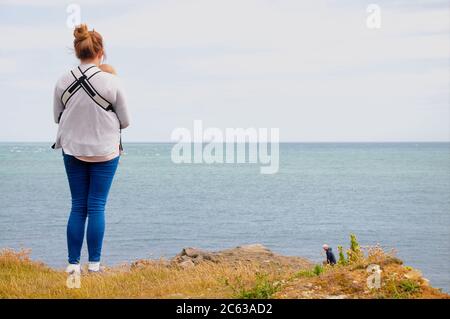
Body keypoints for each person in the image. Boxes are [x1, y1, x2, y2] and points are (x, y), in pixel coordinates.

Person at [53, 24, 130, 274]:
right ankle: (94, 265)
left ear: (77, 51)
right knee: (96, 205)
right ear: (101, 52)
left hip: (73, 148)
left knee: (78, 206)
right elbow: (126, 120)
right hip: (105, 150)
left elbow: (57, 117)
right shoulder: (112, 81)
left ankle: (72, 266)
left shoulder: (62, 80)